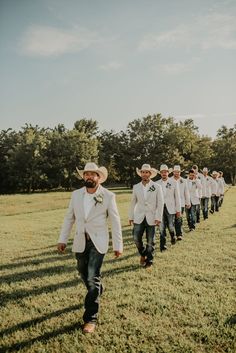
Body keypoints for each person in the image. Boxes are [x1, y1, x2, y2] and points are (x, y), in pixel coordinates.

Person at [57, 162, 123, 334]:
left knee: (93, 276)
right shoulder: (76, 194)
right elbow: (68, 218)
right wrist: (62, 239)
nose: (89, 177)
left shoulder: (108, 196)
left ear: (98, 177)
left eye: (92, 174)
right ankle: (98, 289)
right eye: (86, 174)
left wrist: (118, 245)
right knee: (82, 271)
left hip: (98, 242)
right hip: (80, 240)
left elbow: (115, 221)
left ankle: (90, 318)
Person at [129, 164, 164, 269]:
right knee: (136, 238)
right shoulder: (136, 187)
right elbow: (132, 203)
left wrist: (158, 217)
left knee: (150, 240)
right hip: (138, 216)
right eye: (142, 172)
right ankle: (143, 253)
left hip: (152, 217)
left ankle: (150, 260)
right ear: (141, 174)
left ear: (150, 174)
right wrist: (131, 217)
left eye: (146, 172)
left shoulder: (157, 187)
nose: (144, 174)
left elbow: (160, 203)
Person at [156, 164, 181, 251]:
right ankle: (163, 245)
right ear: (160, 173)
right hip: (160, 208)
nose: (164, 173)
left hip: (171, 207)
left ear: (168, 172)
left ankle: (173, 236)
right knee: (161, 227)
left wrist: (178, 210)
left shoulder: (174, 182)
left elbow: (177, 197)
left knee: (170, 225)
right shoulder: (156, 184)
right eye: (162, 172)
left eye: (165, 172)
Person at [170, 165, 191, 240]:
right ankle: (173, 234)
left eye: (178, 172)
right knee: (172, 219)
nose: (177, 173)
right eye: (175, 172)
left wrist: (188, 202)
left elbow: (186, 192)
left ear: (180, 172)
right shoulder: (169, 181)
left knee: (179, 218)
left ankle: (179, 234)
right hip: (171, 203)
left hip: (181, 202)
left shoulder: (183, 181)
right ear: (173, 172)